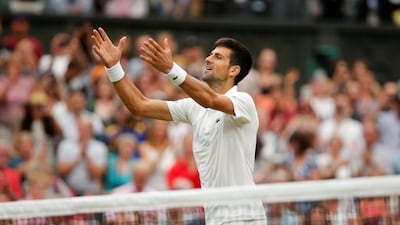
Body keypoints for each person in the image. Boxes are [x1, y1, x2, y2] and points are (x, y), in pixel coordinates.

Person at [91, 27, 267, 224]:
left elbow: (209, 99)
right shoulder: (193, 108)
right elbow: (140, 106)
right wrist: (114, 67)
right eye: (209, 54)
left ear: (234, 70)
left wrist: (170, 69)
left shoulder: (243, 101)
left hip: (245, 217)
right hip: (215, 219)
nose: (208, 59)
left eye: (217, 57)